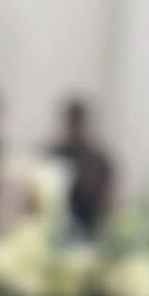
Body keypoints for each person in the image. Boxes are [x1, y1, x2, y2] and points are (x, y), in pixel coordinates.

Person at [53, 97, 115, 236]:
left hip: (88, 229)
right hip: (64, 228)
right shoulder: (56, 155)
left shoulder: (98, 160)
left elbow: (108, 200)